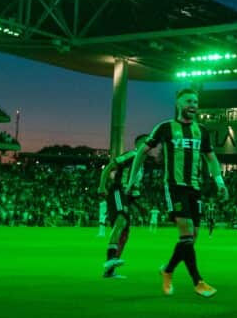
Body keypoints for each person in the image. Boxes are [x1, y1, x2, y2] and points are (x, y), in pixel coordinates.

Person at [128, 88, 228, 297]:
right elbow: (141, 154)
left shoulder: (201, 130)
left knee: (191, 238)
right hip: (174, 187)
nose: (193, 104)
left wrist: (220, 181)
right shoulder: (165, 128)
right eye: (189, 101)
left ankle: (168, 269)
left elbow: (211, 158)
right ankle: (198, 282)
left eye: (196, 101)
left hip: (195, 188)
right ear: (179, 104)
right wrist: (132, 180)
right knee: (187, 232)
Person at [98, 134, 147, 279]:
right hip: (118, 190)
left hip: (126, 196)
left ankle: (110, 270)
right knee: (121, 220)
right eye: (146, 141)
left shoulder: (141, 165)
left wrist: (139, 207)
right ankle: (111, 259)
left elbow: (134, 190)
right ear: (138, 144)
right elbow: (109, 167)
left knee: (124, 234)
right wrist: (101, 186)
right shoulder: (132, 155)